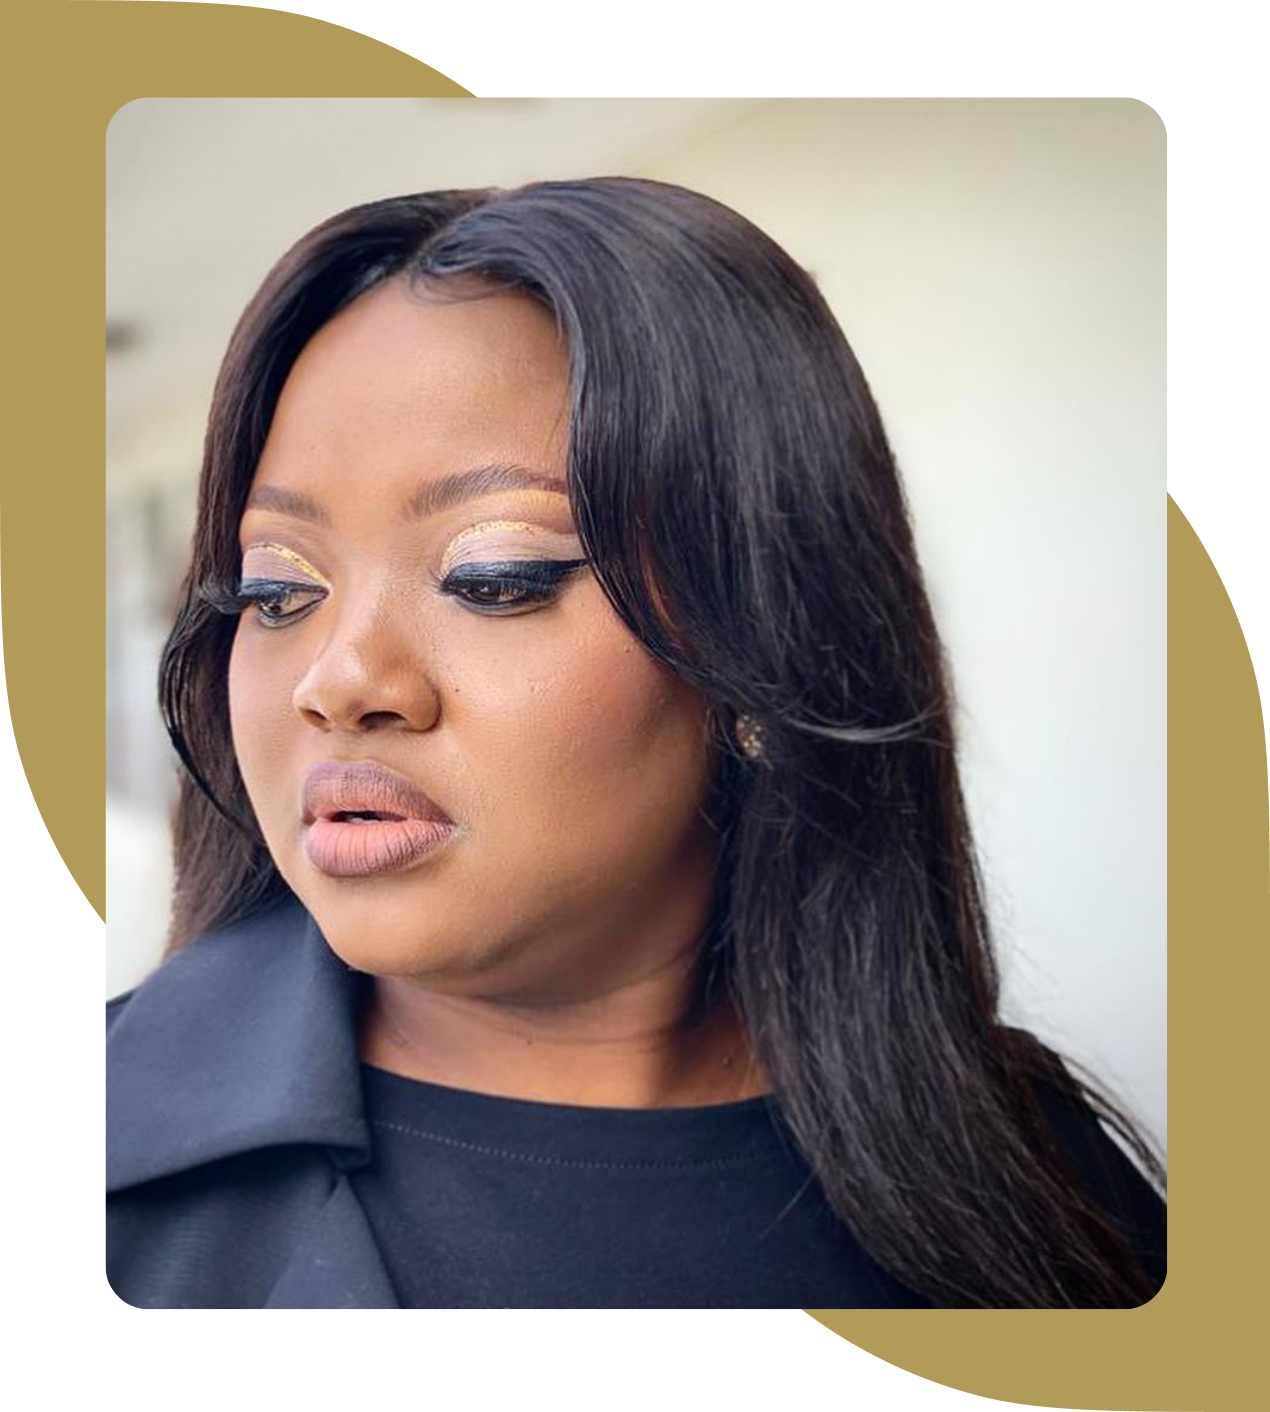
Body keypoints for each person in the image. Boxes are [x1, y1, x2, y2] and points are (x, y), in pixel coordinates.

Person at [105, 177, 1165, 1311]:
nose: (337, 680)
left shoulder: (1048, 1185)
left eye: (492, 577)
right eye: (275, 592)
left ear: (763, 641)